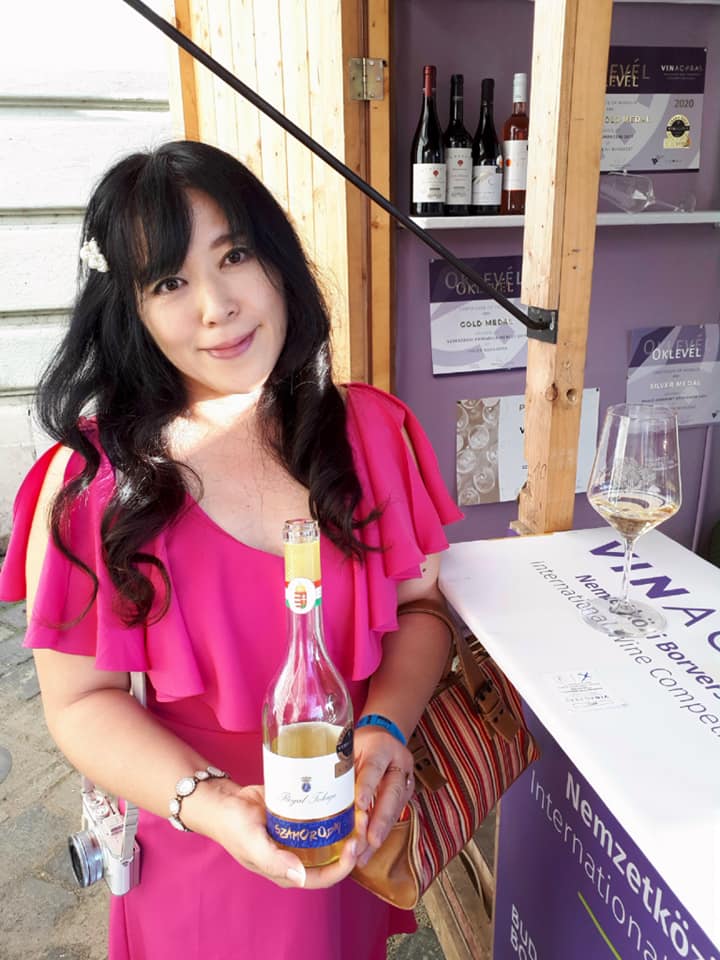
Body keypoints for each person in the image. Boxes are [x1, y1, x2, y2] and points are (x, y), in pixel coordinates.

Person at [0, 140, 462, 960]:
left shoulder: (372, 432)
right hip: (200, 846)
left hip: (348, 820)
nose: (217, 306)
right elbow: (80, 703)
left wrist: (384, 724)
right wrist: (211, 805)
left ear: (278, 263)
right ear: (129, 309)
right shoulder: (91, 485)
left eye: (235, 255)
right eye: (169, 283)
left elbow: (423, 609)